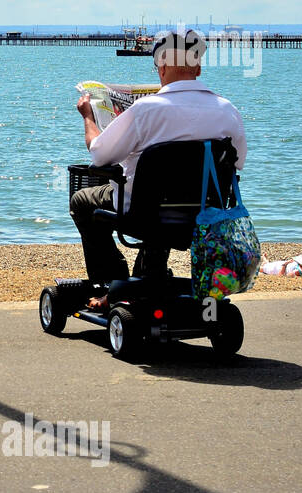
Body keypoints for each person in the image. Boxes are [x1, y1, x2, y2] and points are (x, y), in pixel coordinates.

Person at [71, 29, 247, 308]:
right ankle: (144, 277)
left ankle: (112, 283)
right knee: (168, 199)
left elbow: (100, 155)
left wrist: (89, 118)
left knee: (82, 201)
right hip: (203, 212)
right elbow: (236, 164)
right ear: (198, 67)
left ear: (162, 67)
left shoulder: (146, 110)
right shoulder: (227, 110)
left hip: (144, 211)